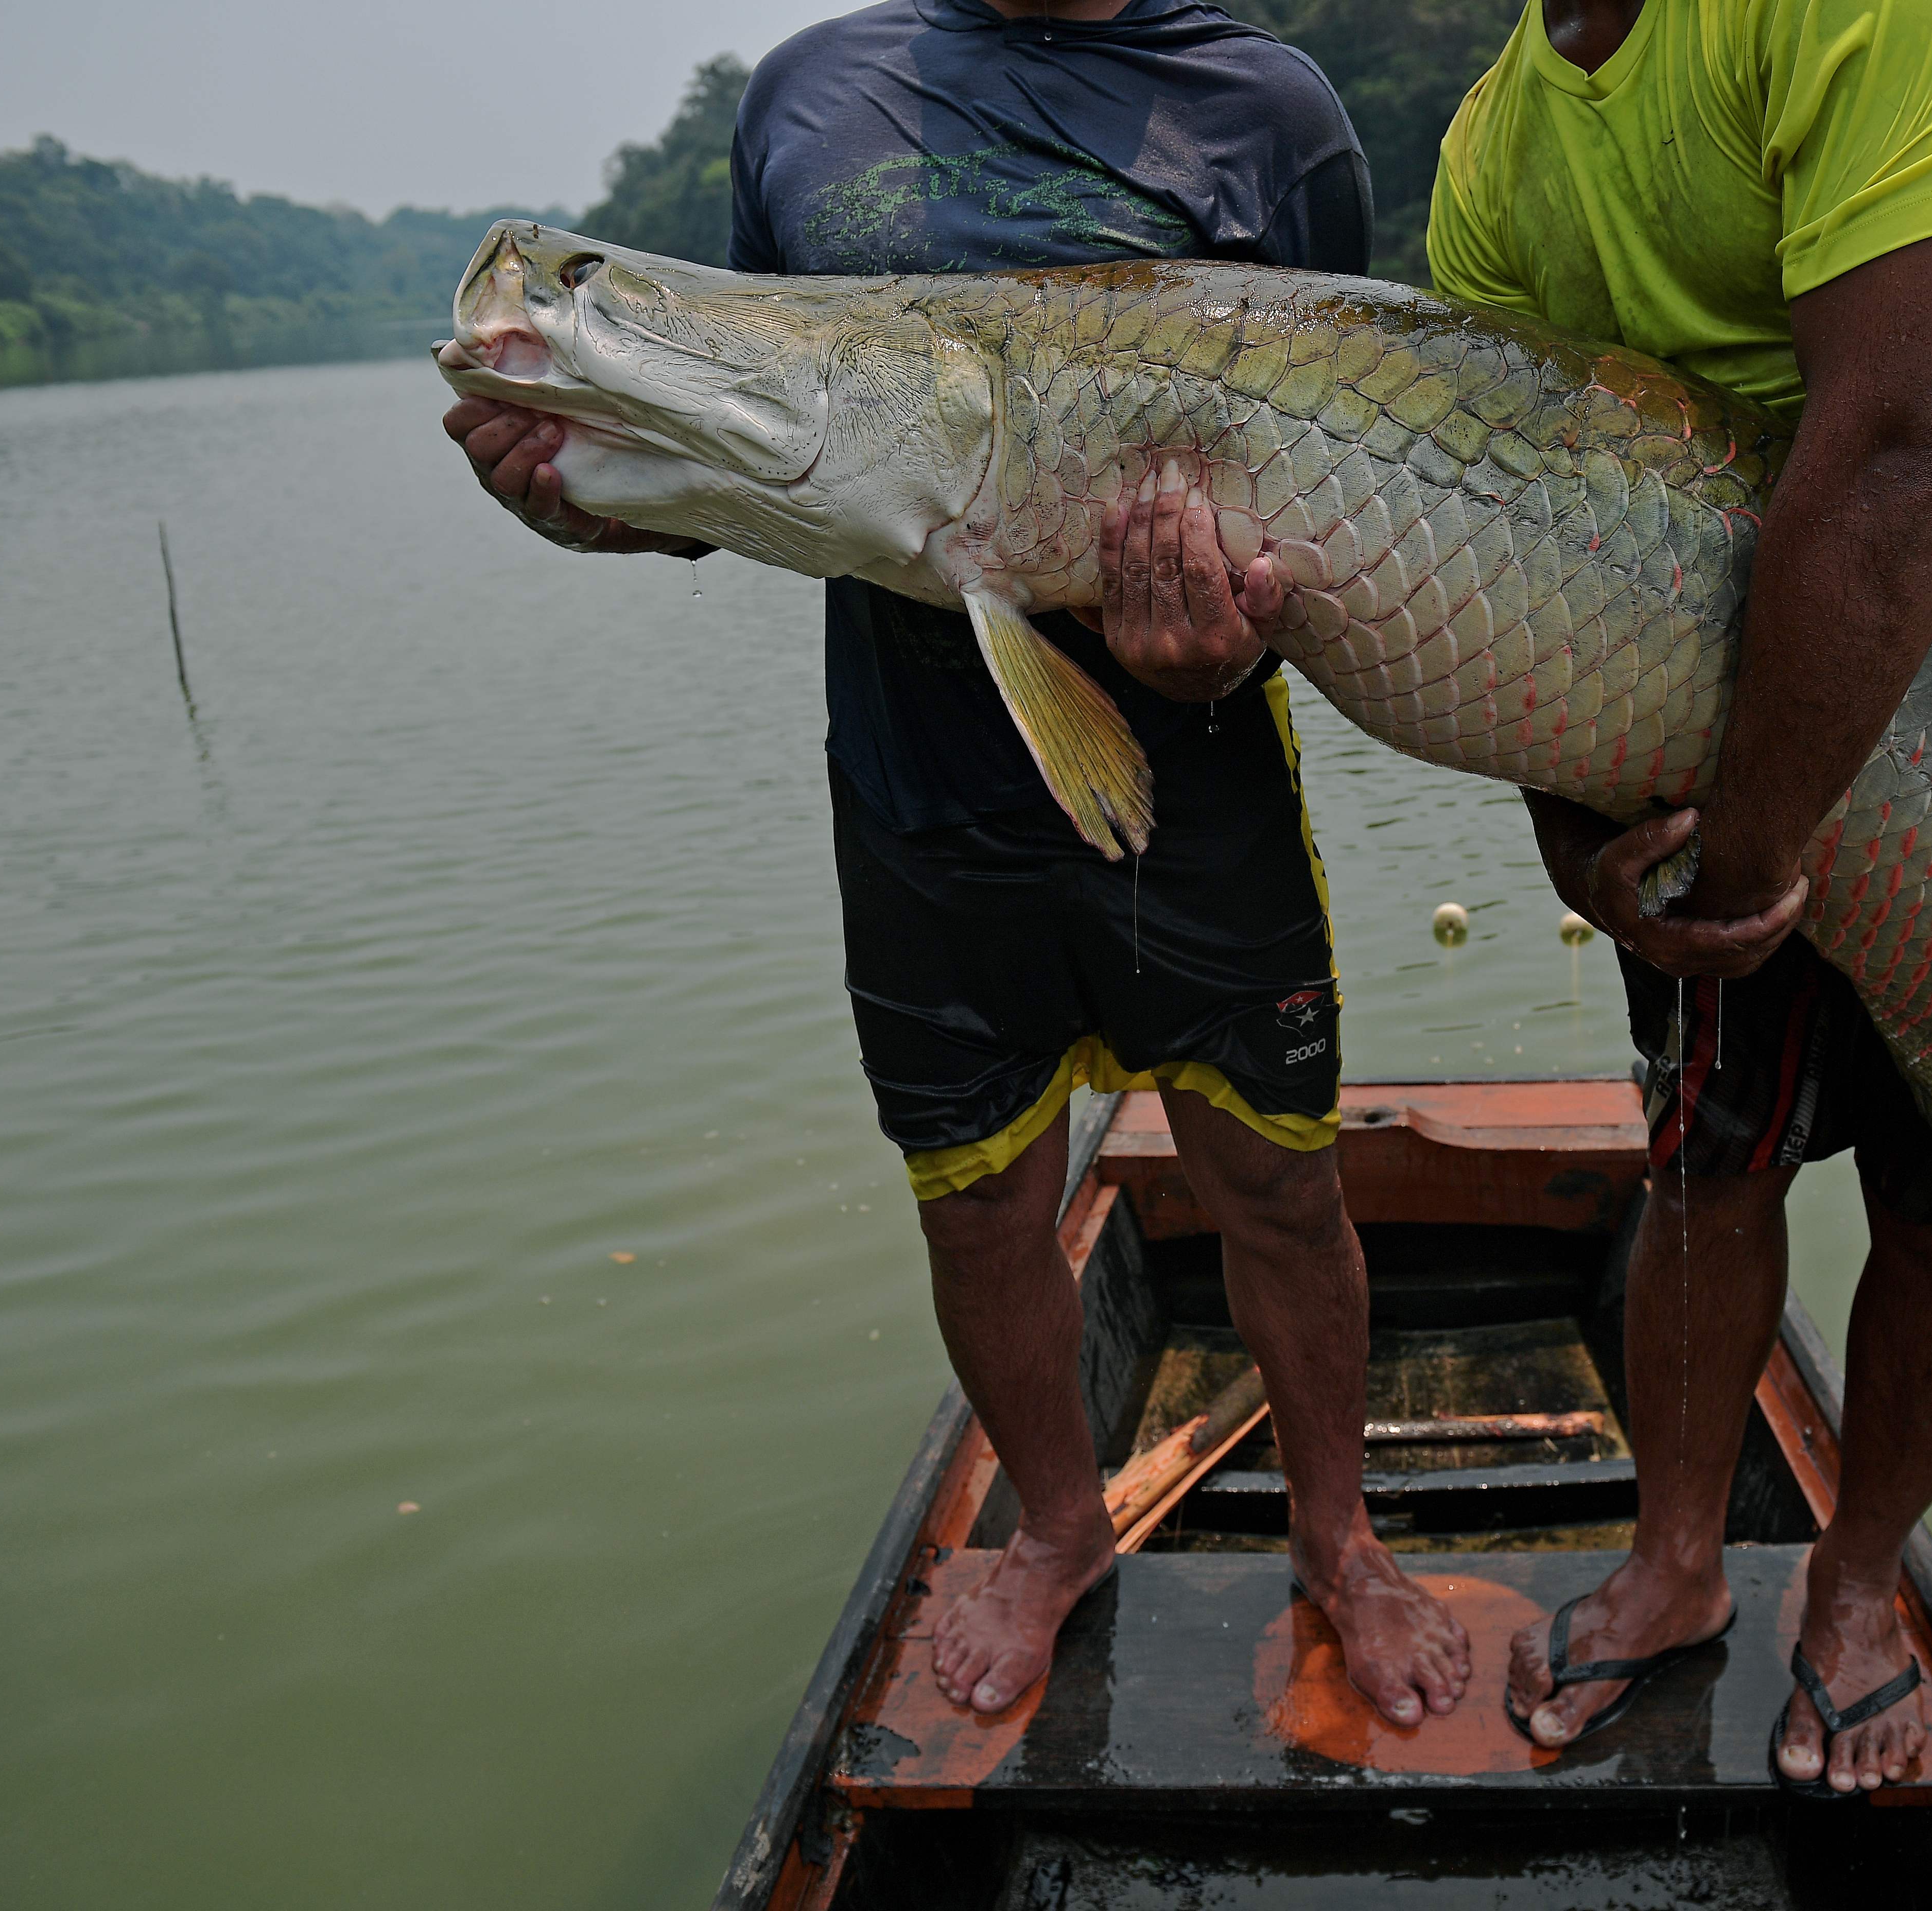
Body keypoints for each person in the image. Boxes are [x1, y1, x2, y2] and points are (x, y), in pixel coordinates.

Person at [438, 0, 1471, 1727]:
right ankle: (1059, 1528)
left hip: (1202, 782)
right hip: (915, 790)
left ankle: (1341, 1535)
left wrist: (1229, 632)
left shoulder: (1271, 110)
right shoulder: (805, 98)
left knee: (1281, 1186)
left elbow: (1339, 473)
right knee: (983, 1202)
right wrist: (591, 497)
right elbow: (770, 462)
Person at [1409, 0, 1932, 1786]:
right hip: (1695, 701)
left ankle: (1858, 1581)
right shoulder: (1491, 155)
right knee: (1705, 1158)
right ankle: (1678, 1564)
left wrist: (1753, 846)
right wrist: (1588, 859)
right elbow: (1502, 533)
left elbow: (1902, 444)